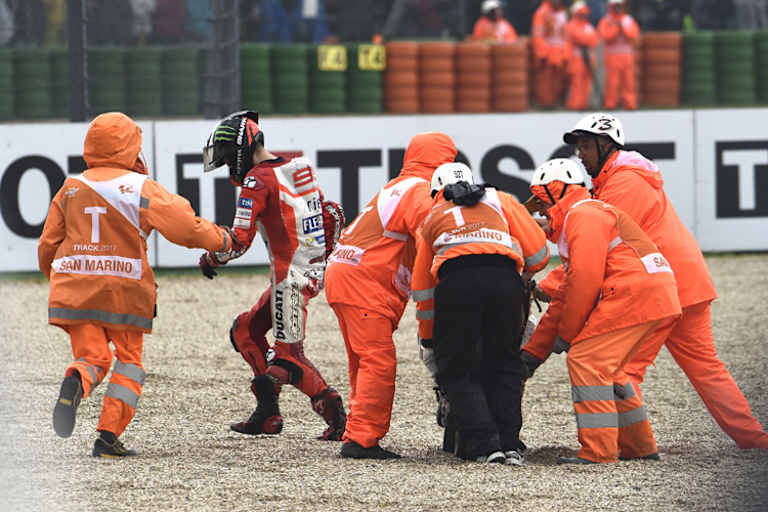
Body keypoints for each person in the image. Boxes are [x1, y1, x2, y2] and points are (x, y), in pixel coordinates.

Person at [553, 112, 768, 449]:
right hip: (687, 282)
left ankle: (627, 445)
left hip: (659, 288)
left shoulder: (624, 182)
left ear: (605, 144)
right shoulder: (627, 178)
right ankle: (754, 439)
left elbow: (591, 249)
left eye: (584, 146)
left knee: (620, 368)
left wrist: (549, 285)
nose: (579, 154)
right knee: (707, 370)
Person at [39, 112, 237, 458]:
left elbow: (47, 244)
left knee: (92, 357)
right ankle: (108, 436)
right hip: (124, 293)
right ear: (130, 148)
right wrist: (221, 239)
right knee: (129, 363)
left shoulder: (70, 188)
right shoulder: (139, 187)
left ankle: (77, 377)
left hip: (75, 290)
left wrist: (57, 278)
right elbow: (185, 227)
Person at [198, 110, 348, 441]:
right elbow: (330, 214)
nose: (226, 166)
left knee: (288, 360)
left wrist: (210, 257)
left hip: (288, 279)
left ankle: (334, 412)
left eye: (225, 158)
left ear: (240, 149)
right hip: (309, 272)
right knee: (245, 329)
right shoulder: (299, 166)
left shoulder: (256, 182)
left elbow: (238, 242)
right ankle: (268, 414)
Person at [524, 158, 681, 464]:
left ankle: (598, 453)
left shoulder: (583, 216)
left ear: (559, 193)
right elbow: (567, 295)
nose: (540, 212)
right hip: (653, 292)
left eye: (542, 202)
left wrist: (567, 338)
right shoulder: (589, 213)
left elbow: (584, 281)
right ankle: (640, 448)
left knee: (587, 360)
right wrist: (534, 353)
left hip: (634, 293)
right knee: (612, 370)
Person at [325, 132, 457, 459]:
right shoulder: (419, 190)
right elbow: (432, 230)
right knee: (377, 361)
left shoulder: (397, 186)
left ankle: (357, 431)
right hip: (364, 282)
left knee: (362, 360)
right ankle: (362, 441)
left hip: (344, 275)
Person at [411, 162, 549, 464]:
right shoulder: (502, 200)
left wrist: (430, 340)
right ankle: (509, 442)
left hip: (457, 283)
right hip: (506, 281)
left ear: (436, 192)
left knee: (458, 369)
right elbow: (539, 254)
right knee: (506, 363)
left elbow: (423, 290)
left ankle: (484, 445)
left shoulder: (433, 217)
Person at [598, 0, 640, 110]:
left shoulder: (628, 19)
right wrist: (616, 28)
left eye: (619, 5)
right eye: (615, 5)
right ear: (611, 6)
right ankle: (610, 104)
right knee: (612, 82)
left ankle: (630, 104)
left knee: (628, 82)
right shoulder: (606, 20)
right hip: (612, 55)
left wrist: (622, 27)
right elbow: (605, 36)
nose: (617, 8)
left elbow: (633, 34)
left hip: (627, 55)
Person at [531, 0, 568, 107]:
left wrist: (566, 53)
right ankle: (545, 104)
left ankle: (555, 102)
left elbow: (566, 35)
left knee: (558, 80)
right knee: (545, 79)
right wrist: (542, 53)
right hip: (547, 52)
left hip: (560, 52)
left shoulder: (562, 13)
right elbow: (537, 35)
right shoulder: (542, 12)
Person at [564, 1, 599, 110]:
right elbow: (579, 38)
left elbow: (594, 40)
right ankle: (575, 105)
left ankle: (583, 104)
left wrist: (585, 40)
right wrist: (586, 40)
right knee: (576, 82)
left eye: (585, 13)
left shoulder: (588, 26)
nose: (584, 15)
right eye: (581, 13)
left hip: (588, 57)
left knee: (586, 82)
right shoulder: (571, 25)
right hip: (576, 59)